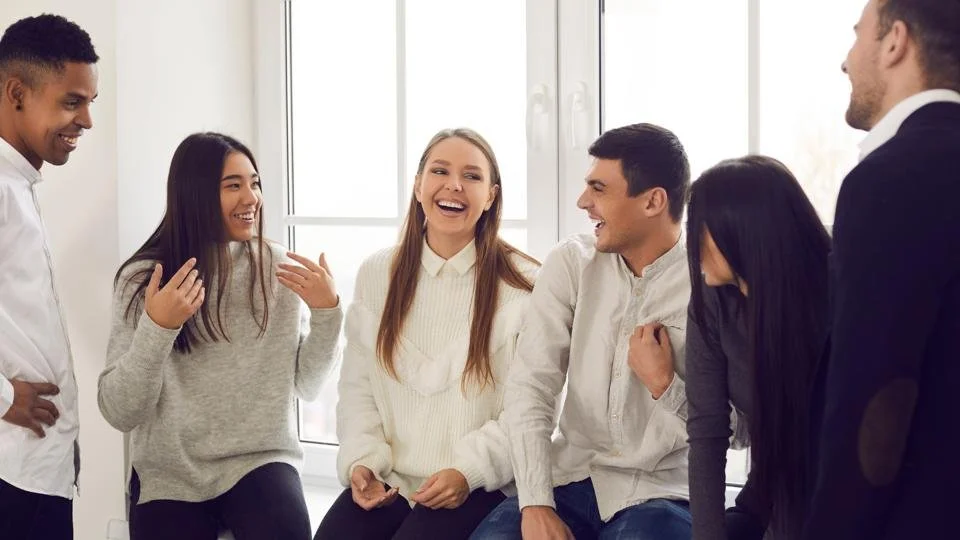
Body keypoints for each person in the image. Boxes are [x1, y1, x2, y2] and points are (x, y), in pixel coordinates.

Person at [98, 132, 343, 539]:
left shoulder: (276, 269)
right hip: (169, 473)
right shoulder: (143, 279)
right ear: (194, 194)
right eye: (234, 185)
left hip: (260, 460)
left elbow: (308, 385)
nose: (252, 198)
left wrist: (327, 313)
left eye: (255, 183)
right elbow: (120, 411)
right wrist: (158, 328)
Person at [314, 128, 539, 540]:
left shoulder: (525, 284)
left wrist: (466, 473)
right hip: (392, 478)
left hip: (480, 484)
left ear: (490, 196)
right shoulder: (377, 273)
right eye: (440, 171)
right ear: (418, 186)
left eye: (472, 176)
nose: (454, 185)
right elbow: (358, 390)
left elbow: (527, 414)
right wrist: (363, 462)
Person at [472, 123, 694, 540]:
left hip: (664, 493)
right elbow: (532, 387)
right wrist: (535, 503)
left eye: (599, 189)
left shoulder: (706, 281)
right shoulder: (571, 263)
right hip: (570, 479)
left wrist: (666, 384)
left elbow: (739, 429)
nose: (583, 201)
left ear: (653, 201)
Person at [803, 1, 960, 538]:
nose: (846, 61)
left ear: (894, 42)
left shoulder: (890, 180)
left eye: (857, 35)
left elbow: (875, 401)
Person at [678, 157, 830, 540]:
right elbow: (708, 433)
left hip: (839, 493)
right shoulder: (711, 303)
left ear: (742, 230)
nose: (691, 244)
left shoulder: (839, 296)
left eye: (701, 230)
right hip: (771, 495)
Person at [0, 14, 99, 539]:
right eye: (71, 101)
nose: (86, 120)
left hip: (39, 467)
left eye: (89, 103)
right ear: (17, 93)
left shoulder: (19, 185)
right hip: (11, 472)